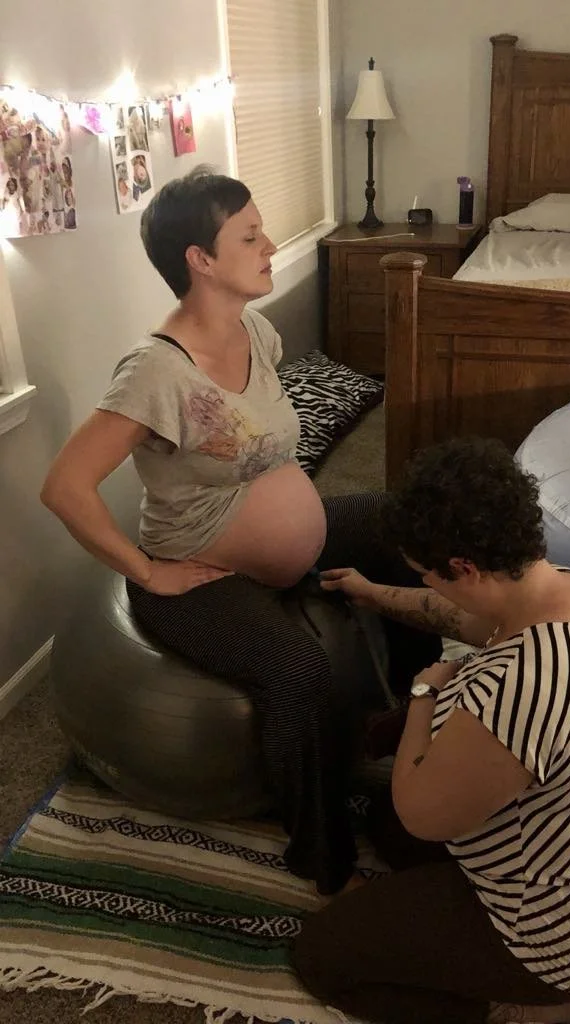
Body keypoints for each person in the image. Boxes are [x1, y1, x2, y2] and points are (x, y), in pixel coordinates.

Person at [41, 166, 439, 896]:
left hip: (279, 542)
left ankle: (417, 709)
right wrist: (148, 570)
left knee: (404, 519)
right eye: (250, 237)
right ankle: (324, 860)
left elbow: (260, 445)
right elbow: (64, 487)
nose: (269, 245)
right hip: (195, 568)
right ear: (200, 260)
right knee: (300, 672)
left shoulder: (254, 328)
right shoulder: (155, 372)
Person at [294, 437, 570, 1024]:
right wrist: (371, 592)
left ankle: (523, 1008)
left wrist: (425, 693)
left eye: (427, 573)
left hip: (561, 937)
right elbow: (453, 615)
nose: (427, 584)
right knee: (383, 826)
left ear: (463, 567)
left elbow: (422, 810)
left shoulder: (517, 690)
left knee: (322, 957)